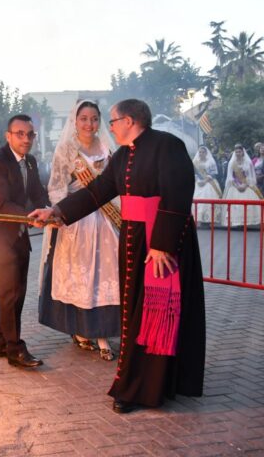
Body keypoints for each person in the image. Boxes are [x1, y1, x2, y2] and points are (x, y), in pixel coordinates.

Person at [30, 99, 205, 414]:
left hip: (162, 244)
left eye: (112, 121)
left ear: (129, 121)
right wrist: (56, 211)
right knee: (135, 312)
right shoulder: (123, 155)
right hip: (134, 240)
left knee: (155, 313)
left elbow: (178, 194)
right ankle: (143, 382)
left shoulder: (167, 145)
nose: (108, 127)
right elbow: (96, 192)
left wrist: (162, 244)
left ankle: (145, 386)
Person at [38, 100, 120, 361]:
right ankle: (81, 330)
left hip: (105, 219)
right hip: (76, 220)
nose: (89, 124)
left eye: (94, 118)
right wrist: (61, 212)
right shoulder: (66, 149)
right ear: (74, 121)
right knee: (80, 275)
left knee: (105, 274)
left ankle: (102, 332)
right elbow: (56, 186)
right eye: (83, 118)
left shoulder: (107, 147)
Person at [0, 114, 50, 368]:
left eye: (30, 134)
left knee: (18, 291)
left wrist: (51, 211)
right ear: (8, 136)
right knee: (10, 293)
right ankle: (15, 349)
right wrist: (31, 218)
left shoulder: (30, 162)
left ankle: (2, 342)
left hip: (18, 235)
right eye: (20, 134)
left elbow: (37, 193)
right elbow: (1, 204)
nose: (26, 139)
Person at [221, 143, 262, 227]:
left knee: (248, 204)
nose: (238, 153)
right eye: (236, 152)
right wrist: (237, 186)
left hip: (247, 185)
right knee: (235, 205)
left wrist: (245, 185)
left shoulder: (248, 162)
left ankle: (246, 222)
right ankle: (236, 222)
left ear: (243, 152)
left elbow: (250, 176)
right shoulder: (232, 163)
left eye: (239, 151)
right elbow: (230, 177)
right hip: (235, 186)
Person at [192, 145, 222, 225]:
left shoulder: (211, 162)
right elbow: (194, 173)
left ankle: (210, 219)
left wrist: (205, 181)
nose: (201, 154)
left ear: (206, 153)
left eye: (203, 152)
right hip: (198, 182)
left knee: (208, 199)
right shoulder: (195, 162)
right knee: (198, 200)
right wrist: (198, 180)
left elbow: (214, 173)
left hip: (209, 182)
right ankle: (198, 219)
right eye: (200, 152)